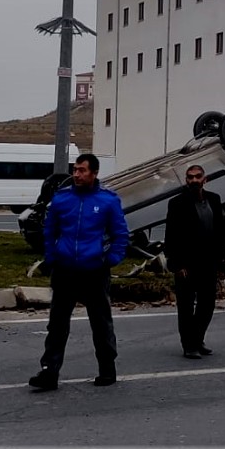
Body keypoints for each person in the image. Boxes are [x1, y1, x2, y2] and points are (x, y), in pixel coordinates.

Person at [30, 154, 130, 392]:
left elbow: (121, 234)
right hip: (65, 270)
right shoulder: (62, 199)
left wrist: (111, 259)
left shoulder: (107, 201)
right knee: (57, 324)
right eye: (75, 170)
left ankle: (107, 368)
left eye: (82, 170)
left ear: (93, 173)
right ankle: (49, 372)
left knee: (101, 322)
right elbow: (50, 230)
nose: (77, 174)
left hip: (94, 270)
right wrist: (53, 257)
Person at [164, 165, 225, 359]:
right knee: (185, 307)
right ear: (186, 180)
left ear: (204, 179)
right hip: (186, 264)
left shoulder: (214, 200)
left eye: (197, 177)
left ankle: (198, 339)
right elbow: (171, 235)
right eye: (190, 177)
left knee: (207, 305)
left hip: (208, 262)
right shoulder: (177, 203)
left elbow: (220, 231)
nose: (193, 180)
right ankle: (189, 345)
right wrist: (175, 264)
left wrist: (223, 259)